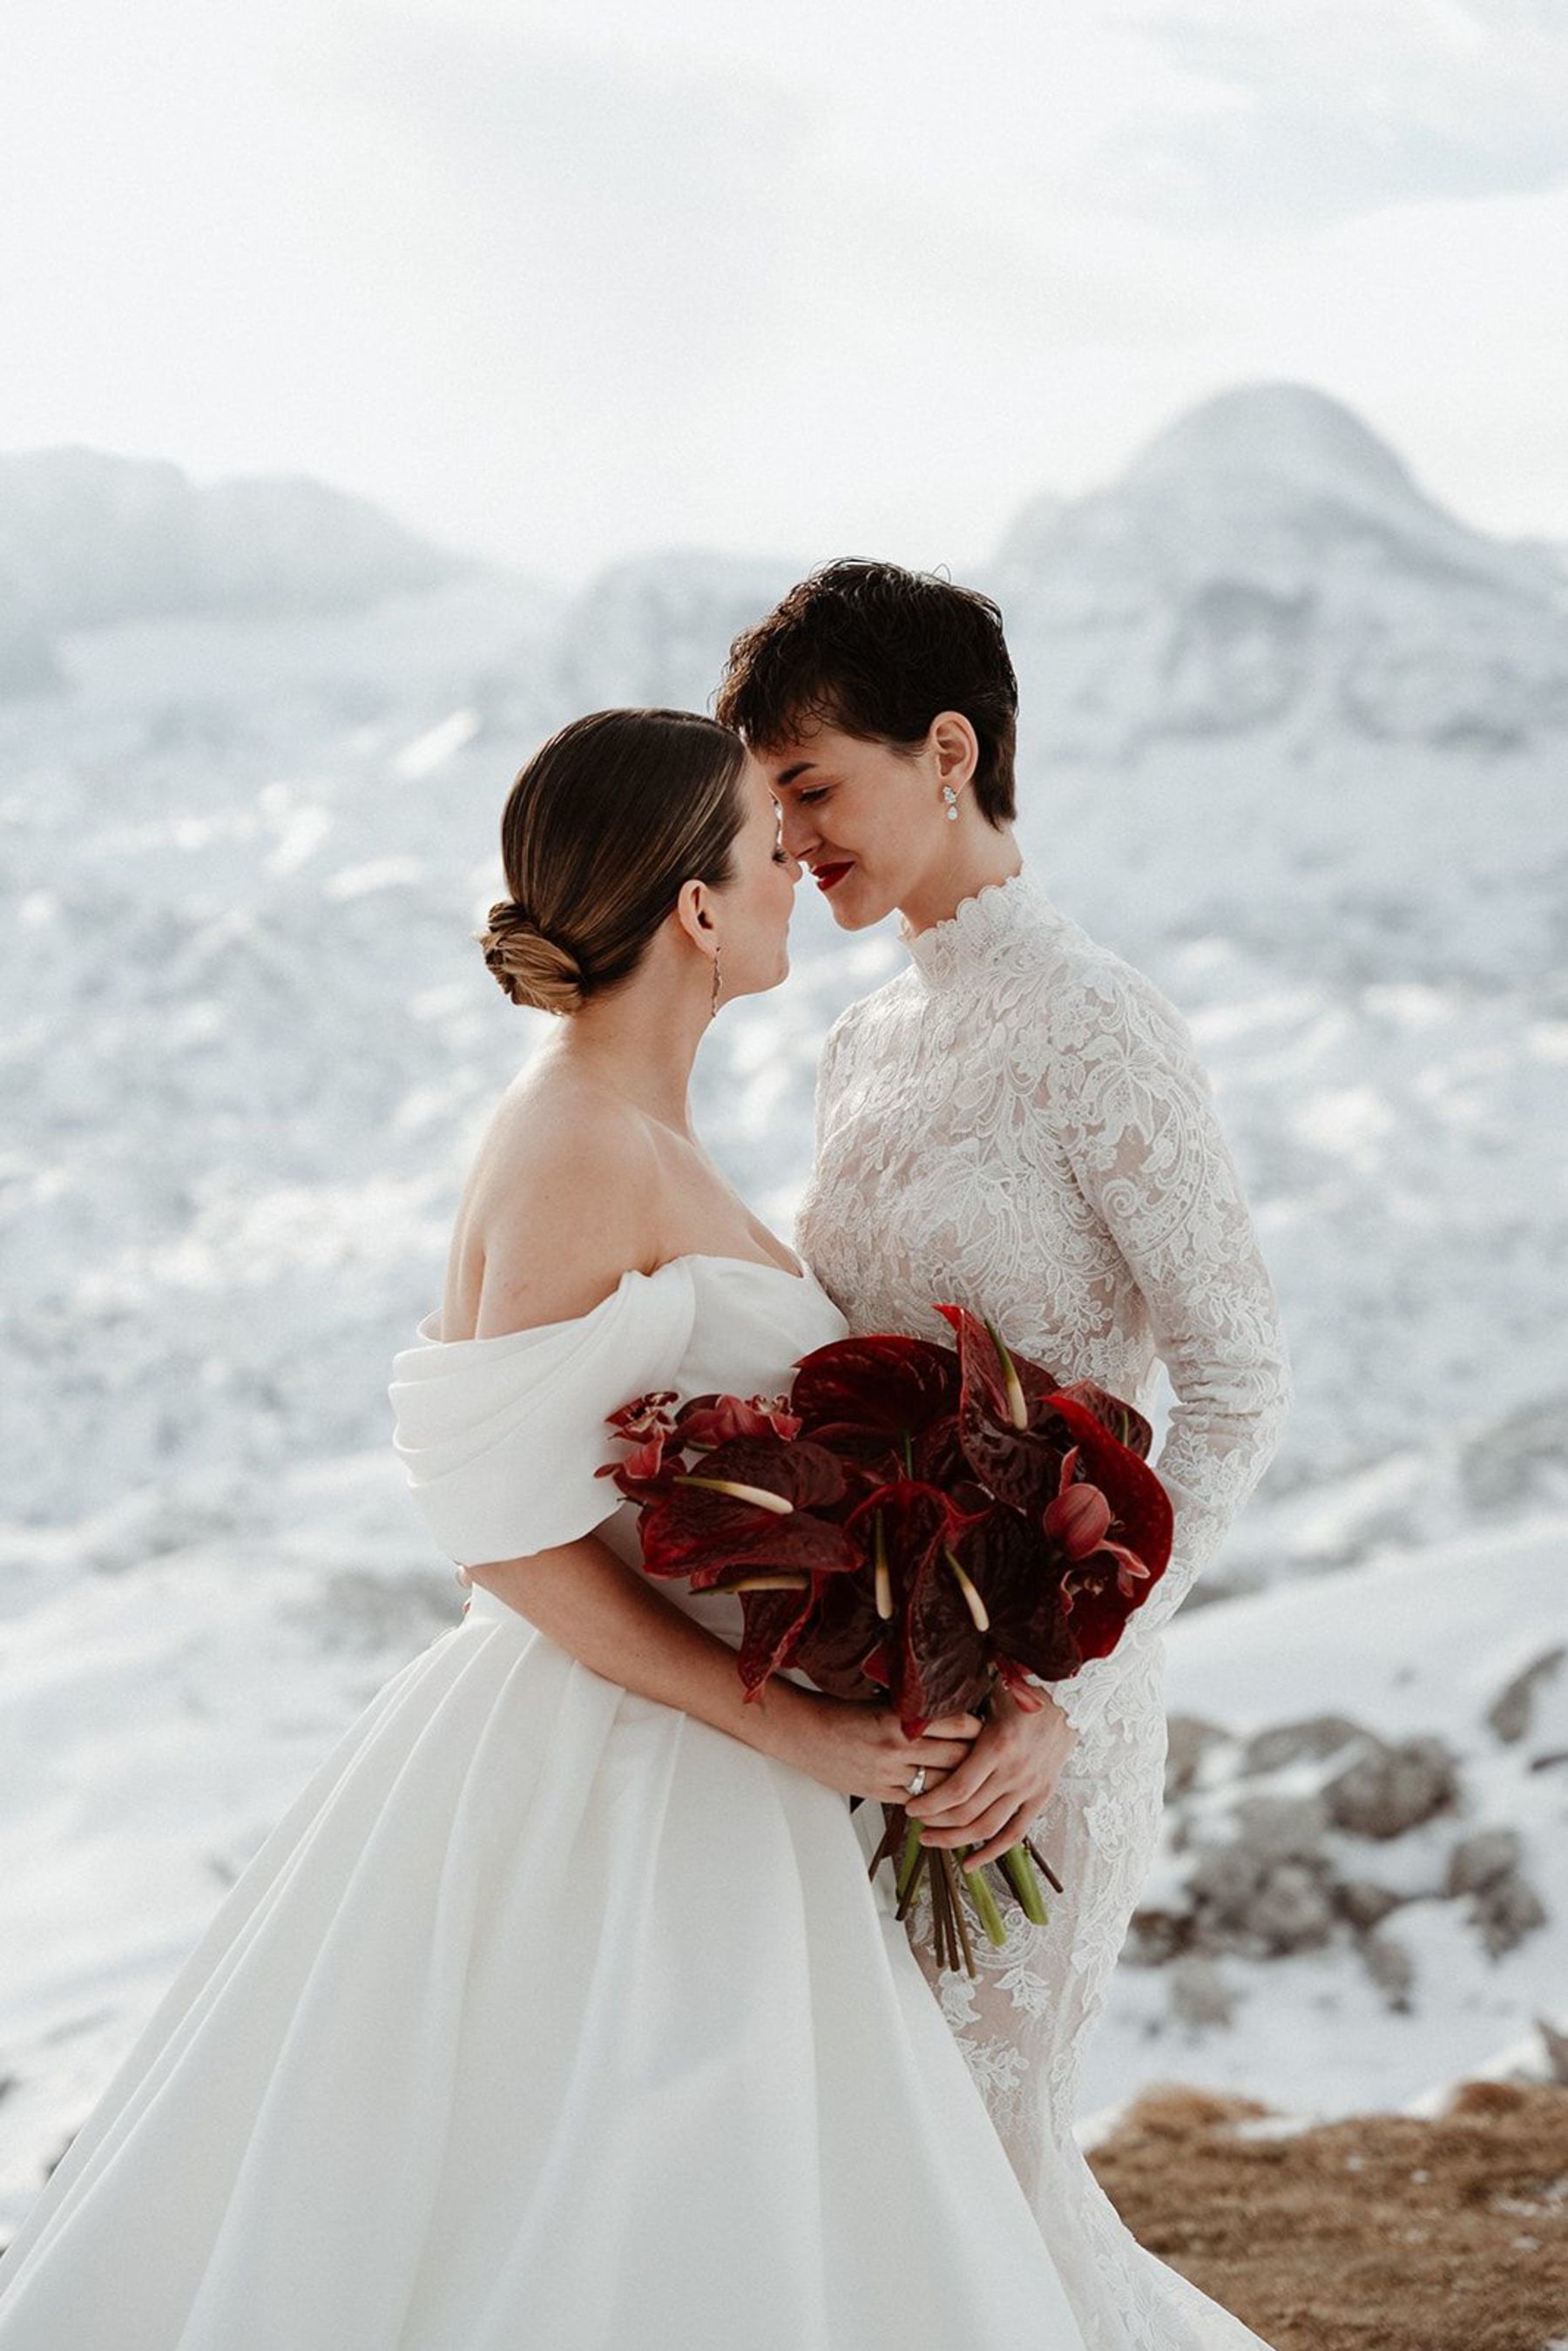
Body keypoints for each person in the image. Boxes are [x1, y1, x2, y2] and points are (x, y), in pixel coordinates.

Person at [0, 707, 1097, 2350]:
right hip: (616, 1776)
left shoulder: (632, 1129)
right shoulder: (581, 1141)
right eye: (767, 845)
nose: (797, 866)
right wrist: (791, 1725)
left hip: (699, 1756)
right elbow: (500, 1539)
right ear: (697, 910)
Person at [718, 566, 1293, 2348]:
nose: (789, 838)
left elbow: (1238, 1383)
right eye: (773, 802)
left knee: (981, 2188)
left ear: (950, 752)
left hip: (1044, 1735)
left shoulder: (1100, 1021)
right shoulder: (861, 1040)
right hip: (886, 1710)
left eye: (813, 785)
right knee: (868, 2198)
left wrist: (1065, 1675)